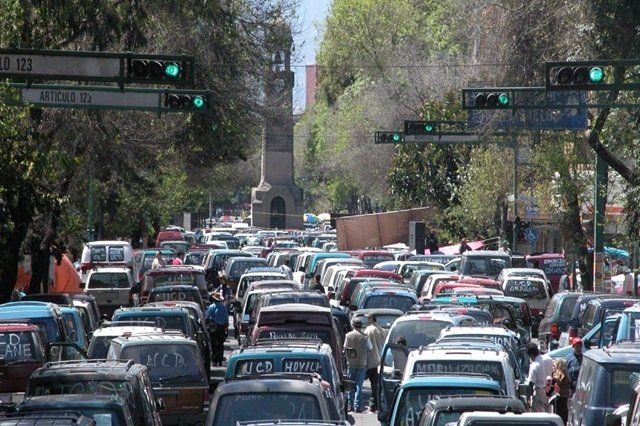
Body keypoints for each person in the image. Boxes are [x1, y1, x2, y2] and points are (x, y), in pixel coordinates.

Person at [343, 317, 371, 413]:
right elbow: (370, 348)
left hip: (351, 363)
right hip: (362, 363)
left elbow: (345, 348)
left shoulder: (348, 336)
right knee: (359, 385)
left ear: (353, 325)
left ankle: (350, 404)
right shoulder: (365, 337)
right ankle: (357, 405)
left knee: (350, 385)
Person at [364, 313, 386, 413]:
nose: (367, 320)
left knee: (372, 384)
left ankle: (372, 404)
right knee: (377, 384)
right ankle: (377, 404)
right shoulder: (382, 330)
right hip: (380, 360)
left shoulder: (369, 330)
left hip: (371, 360)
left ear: (372, 319)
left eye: (368, 318)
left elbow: (366, 346)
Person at [526, 342, 551, 413]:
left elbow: (531, 383)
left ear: (531, 355)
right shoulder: (548, 359)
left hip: (539, 391)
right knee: (548, 413)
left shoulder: (534, 365)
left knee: (539, 414)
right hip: (549, 389)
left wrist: (528, 398)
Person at [205, 292, 229, 366]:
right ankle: (220, 360)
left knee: (214, 344)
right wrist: (226, 326)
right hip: (222, 327)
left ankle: (215, 360)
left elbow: (207, 317)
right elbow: (226, 318)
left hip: (214, 327)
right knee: (220, 344)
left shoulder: (211, 307)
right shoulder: (223, 307)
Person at [552, 358, 571, 423]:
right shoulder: (567, 376)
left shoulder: (557, 376)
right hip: (565, 398)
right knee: (564, 416)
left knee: (557, 415)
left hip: (558, 398)